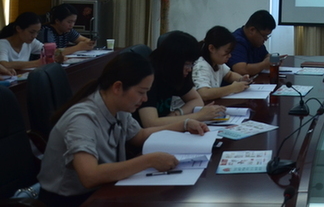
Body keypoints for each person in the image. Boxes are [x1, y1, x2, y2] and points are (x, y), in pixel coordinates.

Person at [37, 52, 209, 207]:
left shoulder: (118, 107)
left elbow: (140, 135)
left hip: (104, 190)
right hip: (71, 200)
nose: (145, 98)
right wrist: (149, 160)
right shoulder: (82, 118)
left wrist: (183, 124)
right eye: (141, 92)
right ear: (117, 87)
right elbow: (90, 176)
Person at [137, 31, 226, 127]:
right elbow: (150, 123)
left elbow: (196, 100)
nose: (190, 69)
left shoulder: (177, 72)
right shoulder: (148, 75)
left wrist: (177, 113)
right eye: (187, 64)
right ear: (173, 61)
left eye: (192, 64)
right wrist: (198, 116)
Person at [192, 25, 251, 101]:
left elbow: (229, 75)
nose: (229, 56)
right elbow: (203, 94)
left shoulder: (217, 63)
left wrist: (241, 79)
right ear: (211, 48)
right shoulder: (201, 66)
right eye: (226, 52)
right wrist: (232, 88)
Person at [227, 10, 278, 76]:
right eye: (264, 36)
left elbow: (265, 55)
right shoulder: (237, 41)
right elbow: (241, 70)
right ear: (252, 30)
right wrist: (264, 64)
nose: (265, 39)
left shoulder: (256, 42)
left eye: (267, 36)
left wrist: (272, 60)